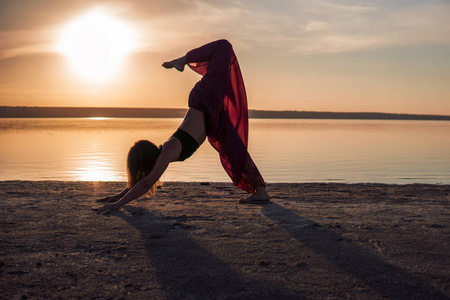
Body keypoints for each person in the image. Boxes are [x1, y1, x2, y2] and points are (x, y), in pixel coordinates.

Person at [92, 39, 269, 211]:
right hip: (212, 119)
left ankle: (181, 61)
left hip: (204, 99)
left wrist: (117, 205)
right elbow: (145, 179)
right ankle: (261, 192)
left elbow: (146, 182)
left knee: (223, 46)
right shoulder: (165, 154)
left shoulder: (168, 149)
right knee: (236, 150)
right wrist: (117, 197)